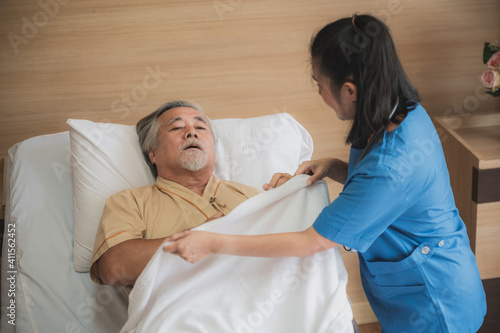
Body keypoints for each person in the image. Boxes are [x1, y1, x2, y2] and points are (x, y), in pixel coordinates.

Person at [163, 15, 487, 332]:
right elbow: (390, 195)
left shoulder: (391, 160)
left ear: (350, 90)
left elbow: (313, 242)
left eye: (320, 84)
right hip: (419, 281)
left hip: (434, 301)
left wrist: (212, 243)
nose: (320, 93)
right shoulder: (397, 112)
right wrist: (333, 166)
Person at [90, 100, 261, 293]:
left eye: (200, 127)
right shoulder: (129, 202)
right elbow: (114, 267)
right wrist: (195, 238)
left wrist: (299, 188)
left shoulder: (252, 195)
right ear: (152, 154)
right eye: (177, 127)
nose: (191, 133)